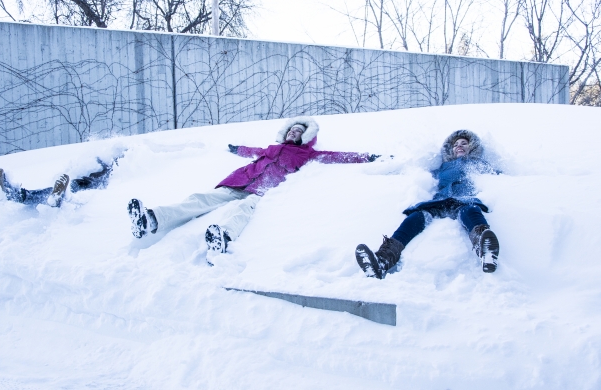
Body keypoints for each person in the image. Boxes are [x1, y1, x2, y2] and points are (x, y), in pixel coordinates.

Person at [128, 116, 381, 265]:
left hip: (262, 191)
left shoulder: (308, 154)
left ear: (306, 136)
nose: (294, 133)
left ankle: (223, 237)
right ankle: (151, 219)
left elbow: (337, 156)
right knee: (201, 199)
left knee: (242, 209)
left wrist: (367, 156)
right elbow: (253, 151)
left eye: (299, 131)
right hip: (240, 181)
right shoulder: (272, 148)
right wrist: (236, 148)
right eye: (291, 130)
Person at [355, 129, 500, 277]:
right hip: (439, 202)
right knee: (416, 217)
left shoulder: (478, 164)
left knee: (470, 211)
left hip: (464, 200)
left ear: (473, 147)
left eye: (464, 143)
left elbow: (498, 177)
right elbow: (418, 173)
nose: (459, 146)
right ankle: (382, 261)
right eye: (455, 144)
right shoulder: (442, 167)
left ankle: (486, 250)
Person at [0, 157, 118, 208]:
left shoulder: (124, 170)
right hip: (87, 183)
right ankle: (16, 194)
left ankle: (59, 197)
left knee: (74, 187)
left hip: (96, 189)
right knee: (72, 186)